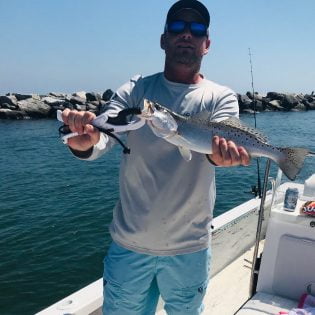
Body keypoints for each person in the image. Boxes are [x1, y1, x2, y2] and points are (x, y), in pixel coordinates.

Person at [62, 0, 250, 314]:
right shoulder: (136, 90)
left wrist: (223, 157)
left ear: (207, 44)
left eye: (196, 29)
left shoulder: (221, 97)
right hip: (129, 244)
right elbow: (102, 138)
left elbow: (216, 153)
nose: (186, 34)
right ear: (164, 39)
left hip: (189, 246)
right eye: (177, 27)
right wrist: (83, 141)